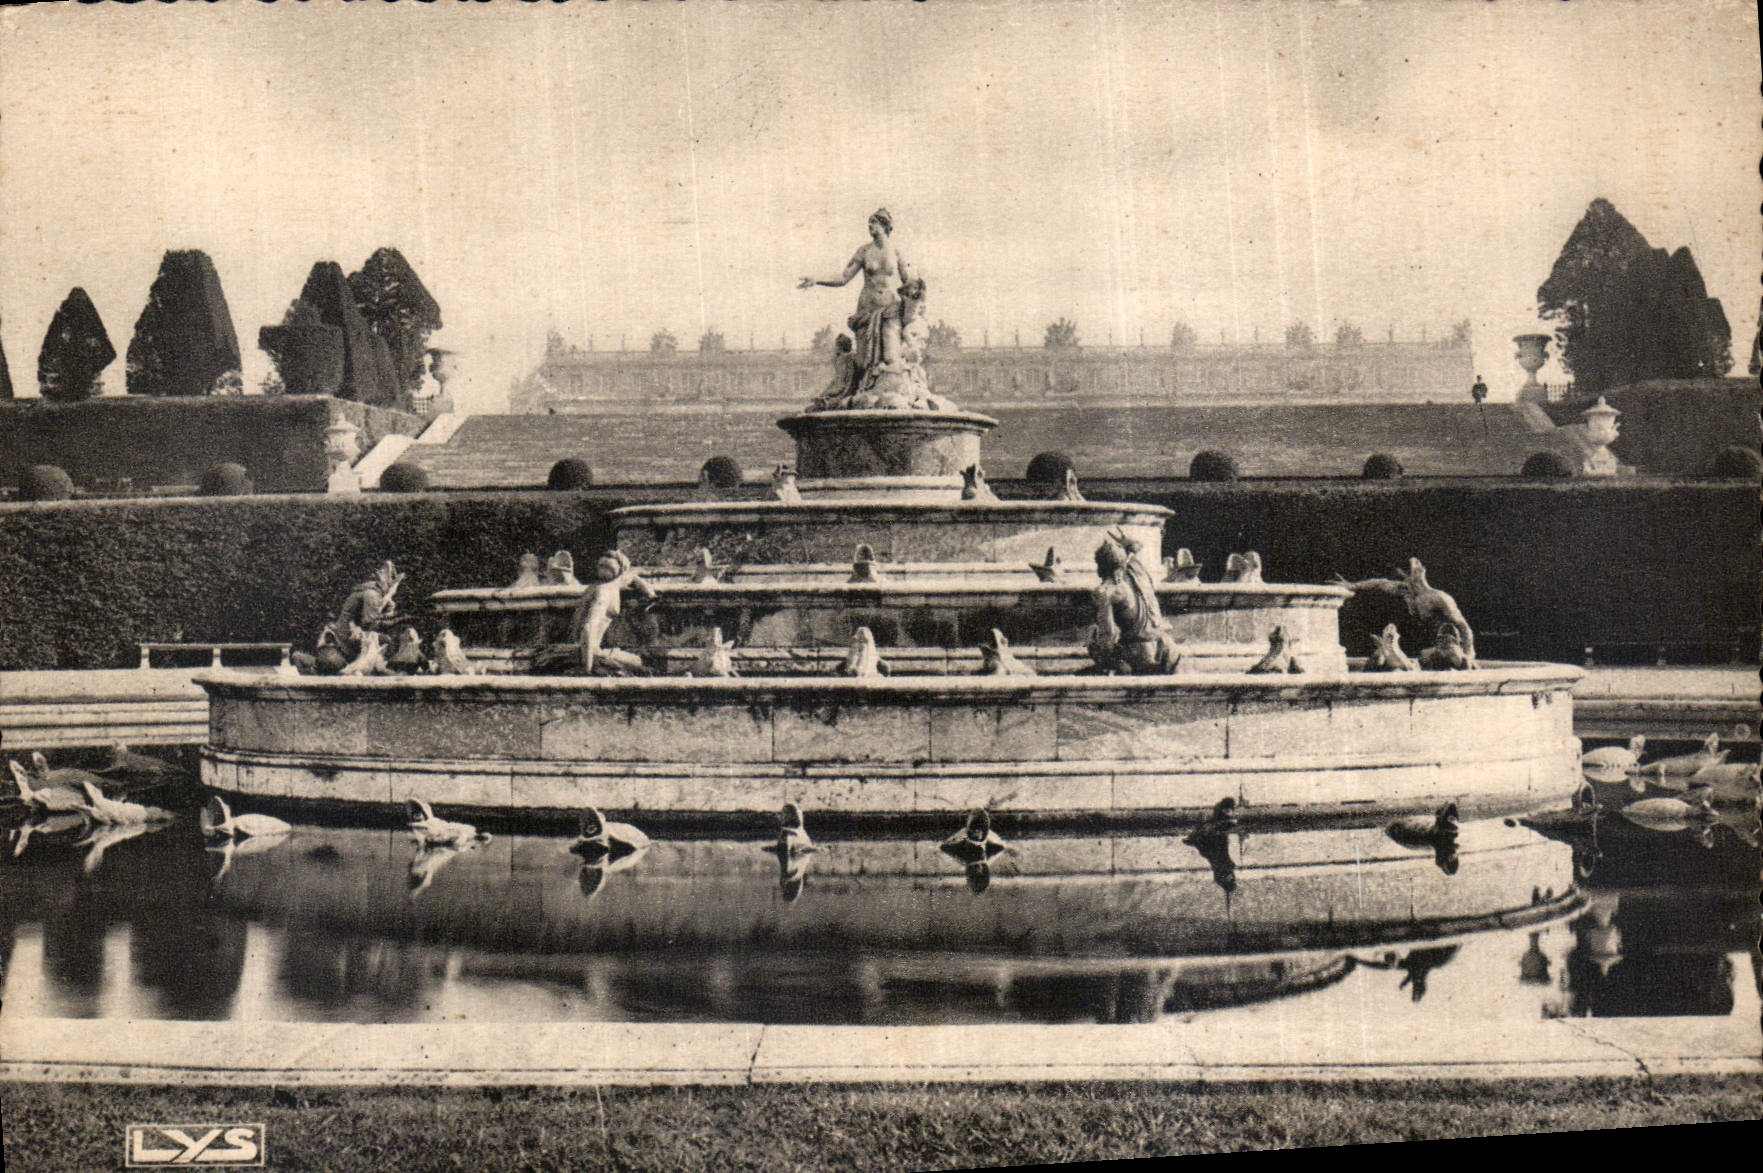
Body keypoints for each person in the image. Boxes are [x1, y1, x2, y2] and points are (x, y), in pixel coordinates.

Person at [799, 208, 916, 387]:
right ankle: (862, 392)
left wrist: (917, 294)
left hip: (890, 310)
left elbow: (908, 281)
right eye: (869, 223)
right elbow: (844, 277)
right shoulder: (864, 251)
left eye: (874, 223)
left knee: (891, 357)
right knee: (864, 363)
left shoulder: (897, 253)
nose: (870, 226)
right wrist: (817, 280)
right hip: (867, 311)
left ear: (884, 225)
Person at [1087, 532, 1181, 675]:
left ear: (1099, 568)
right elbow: (1135, 555)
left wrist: (1097, 651)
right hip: (1167, 649)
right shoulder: (1140, 575)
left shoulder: (1105, 592)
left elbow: (1108, 636)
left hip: (1139, 655)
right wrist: (1128, 546)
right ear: (1123, 563)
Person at [572, 550, 657, 675]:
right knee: (640, 663)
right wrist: (587, 670)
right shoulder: (606, 591)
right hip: (591, 653)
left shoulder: (592, 589)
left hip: (577, 649)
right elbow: (588, 628)